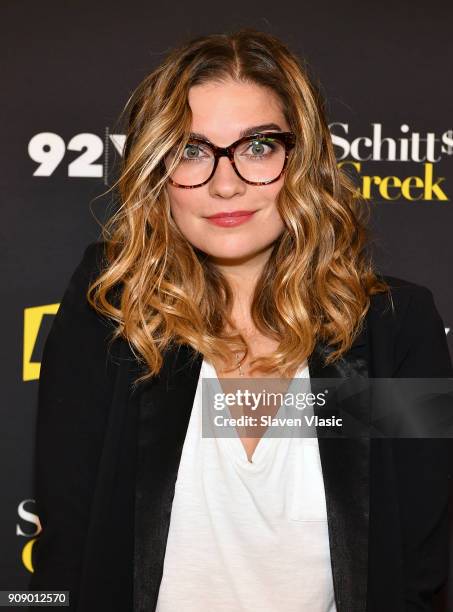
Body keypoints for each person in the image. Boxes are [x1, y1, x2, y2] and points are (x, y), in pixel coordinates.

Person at [28, 28, 453, 612]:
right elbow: (67, 553)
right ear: (157, 171)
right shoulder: (114, 310)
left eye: (258, 147)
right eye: (192, 151)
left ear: (302, 158)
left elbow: (416, 571)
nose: (225, 184)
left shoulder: (395, 328)